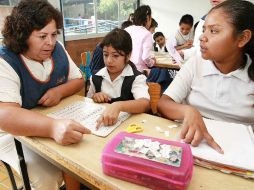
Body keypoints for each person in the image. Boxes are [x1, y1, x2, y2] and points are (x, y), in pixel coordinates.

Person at [0, 0, 90, 190]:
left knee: (82, 157)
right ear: (22, 36)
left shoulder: (57, 49)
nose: (50, 42)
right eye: (42, 36)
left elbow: (79, 80)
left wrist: (59, 91)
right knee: (47, 176)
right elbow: (5, 115)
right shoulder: (5, 61)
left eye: (54, 34)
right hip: (12, 134)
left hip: (51, 117)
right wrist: (52, 128)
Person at [158, 0, 254, 154]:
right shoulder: (196, 63)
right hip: (193, 148)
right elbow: (163, 104)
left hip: (240, 155)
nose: (202, 37)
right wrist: (188, 111)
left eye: (214, 31)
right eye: (204, 30)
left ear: (242, 38)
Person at [87, 28, 150, 128]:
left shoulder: (136, 78)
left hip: (128, 128)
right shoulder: (96, 77)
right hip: (103, 126)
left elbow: (145, 103)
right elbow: (88, 101)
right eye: (105, 55)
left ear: (128, 56)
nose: (109, 61)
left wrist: (118, 105)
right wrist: (95, 97)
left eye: (115, 56)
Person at [125, 5, 155, 72]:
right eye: (151, 18)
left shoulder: (126, 30)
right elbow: (145, 57)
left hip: (124, 69)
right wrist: (152, 62)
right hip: (139, 72)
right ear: (148, 18)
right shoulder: (147, 34)